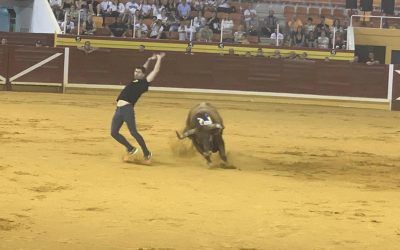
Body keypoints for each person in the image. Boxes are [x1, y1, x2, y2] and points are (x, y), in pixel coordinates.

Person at [111, 52, 166, 164]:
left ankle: (147, 153)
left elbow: (155, 71)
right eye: (135, 71)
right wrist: (149, 60)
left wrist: (159, 59)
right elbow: (144, 68)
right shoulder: (135, 80)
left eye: (139, 72)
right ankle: (131, 149)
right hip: (119, 109)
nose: (136, 73)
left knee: (133, 132)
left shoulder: (144, 83)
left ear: (143, 75)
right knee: (114, 132)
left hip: (127, 109)